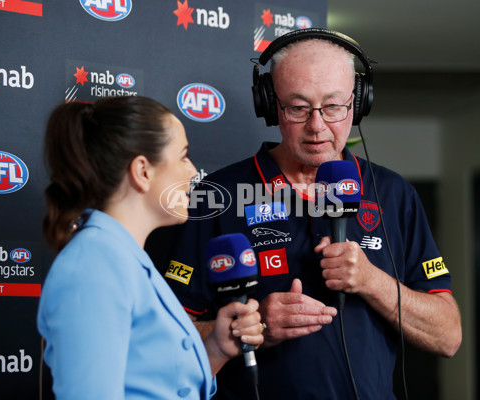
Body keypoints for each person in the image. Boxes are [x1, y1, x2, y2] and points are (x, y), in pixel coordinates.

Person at [155, 28, 462, 399]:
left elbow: (448, 336)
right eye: (298, 107)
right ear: (269, 105)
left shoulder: (394, 194)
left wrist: (370, 280)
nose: (317, 126)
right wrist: (254, 326)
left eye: (333, 106)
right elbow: (165, 338)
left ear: (358, 102)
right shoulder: (215, 196)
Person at [37, 96, 264, 400]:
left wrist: (216, 350)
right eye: (183, 156)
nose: (192, 171)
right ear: (143, 171)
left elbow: (158, 387)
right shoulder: (94, 263)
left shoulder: (126, 258)